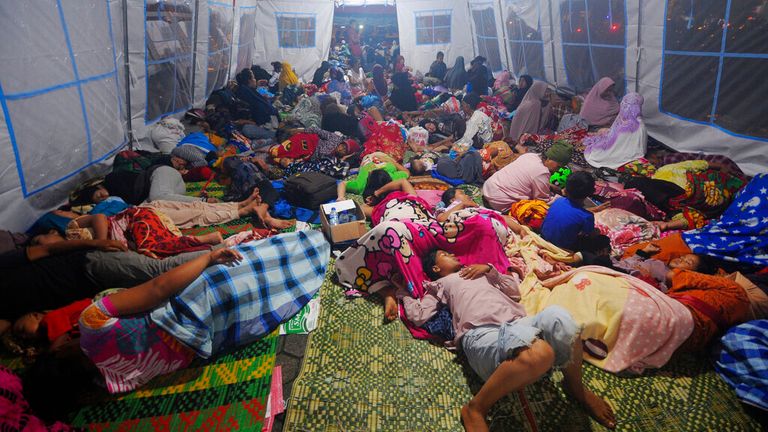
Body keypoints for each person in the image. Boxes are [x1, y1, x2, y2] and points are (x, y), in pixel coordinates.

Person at [78, 231, 330, 394]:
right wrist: (209, 259)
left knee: (265, 289)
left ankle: (313, 255)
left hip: (211, 335)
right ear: (54, 352)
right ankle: (315, 242)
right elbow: (159, 288)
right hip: (190, 302)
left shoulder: (115, 385)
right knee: (253, 259)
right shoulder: (90, 324)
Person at [410, 249, 616, 431]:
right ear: (436, 269)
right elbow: (419, 315)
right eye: (445, 255)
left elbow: (514, 291)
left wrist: (490, 270)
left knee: (561, 319)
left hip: (519, 323)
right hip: (482, 333)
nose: (454, 255)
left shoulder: (481, 272)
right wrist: (399, 292)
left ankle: (575, 387)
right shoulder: (440, 284)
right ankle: (476, 409)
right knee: (538, 354)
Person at [483, 141, 573, 211]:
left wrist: (550, 186)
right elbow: (543, 201)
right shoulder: (542, 172)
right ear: (550, 158)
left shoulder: (531, 156)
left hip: (488, 188)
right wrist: (561, 199)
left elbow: (528, 178)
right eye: (558, 166)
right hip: (498, 201)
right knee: (541, 210)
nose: (558, 170)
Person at [540, 172, 608, 251]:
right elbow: (591, 234)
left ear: (566, 188)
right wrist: (597, 231)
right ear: (591, 192)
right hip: (561, 248)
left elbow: (571, 213)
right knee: (602, 239)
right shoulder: (586, 216)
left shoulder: (558, 201)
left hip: (543, 238)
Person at [584, 92, 647, 169]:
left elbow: (617, 144)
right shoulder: (640, 124)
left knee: (597, 151)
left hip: (621, 154)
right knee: (603, 135)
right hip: (632, 153)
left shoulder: (629, 125)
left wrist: (609, 136)